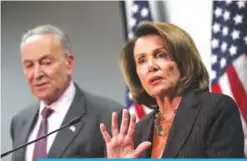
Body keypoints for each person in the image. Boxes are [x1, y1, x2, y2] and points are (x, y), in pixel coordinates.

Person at [100, 21, 245, 158]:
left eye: (160, 55)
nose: (151, 66)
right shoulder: (137, 133)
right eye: (142, 61)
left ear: (183, 61)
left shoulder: (215, 109)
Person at [10, 24, 123, 161]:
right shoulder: (20, 121)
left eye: (46, 62)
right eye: (29, 65)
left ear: (68, 63)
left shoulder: (109, 116)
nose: (36, 74)